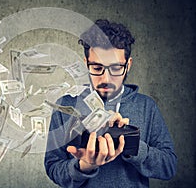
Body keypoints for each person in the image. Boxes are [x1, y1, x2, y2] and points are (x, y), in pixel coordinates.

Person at [44, 19, 177, 187]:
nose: (106, 79)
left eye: (115, 68)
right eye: (97, 68)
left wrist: (130, 143)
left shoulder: (146, 107)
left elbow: (169, 166)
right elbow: (53, 168)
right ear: (86, 64)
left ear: (128, 65)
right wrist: (84, 167)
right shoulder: (65, 106)